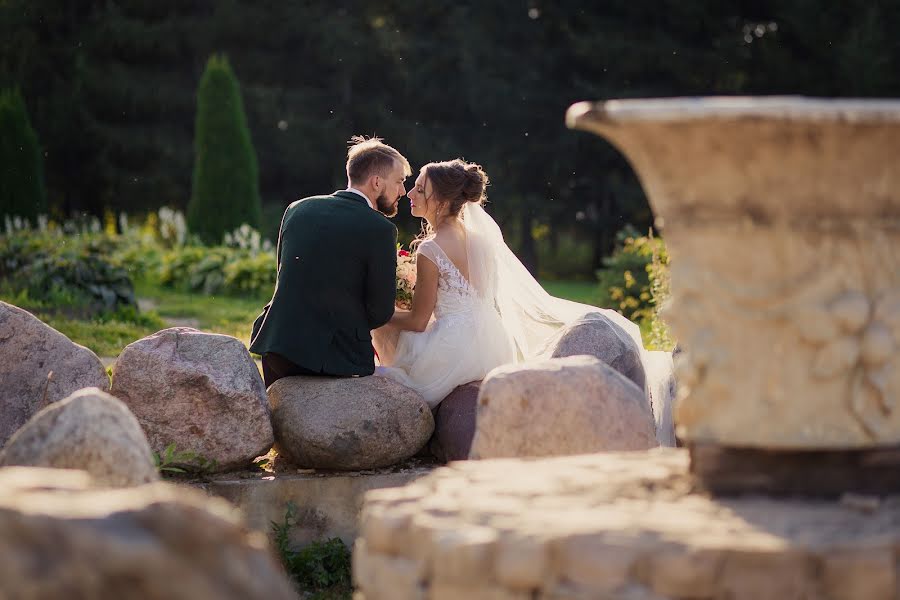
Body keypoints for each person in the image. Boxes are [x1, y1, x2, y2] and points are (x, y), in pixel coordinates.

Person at [373, 159, 648, 408]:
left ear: (442, 200)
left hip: (452, 349)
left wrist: (378, 314)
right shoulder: (482, 241)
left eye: (420, 189)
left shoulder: (430, 250)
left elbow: (419, 321)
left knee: (384, 329)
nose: (409, 193)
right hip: (494, 342)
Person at [250, 136, 411, 387]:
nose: (402, 191)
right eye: (399, 181)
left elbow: (286, 274)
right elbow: (380, 312)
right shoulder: (380, 229)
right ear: (377, 182)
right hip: (333, 358)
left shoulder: (297, 209)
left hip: (276, 347)